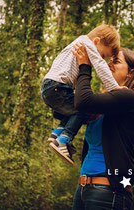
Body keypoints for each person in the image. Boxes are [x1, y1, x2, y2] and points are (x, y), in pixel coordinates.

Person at [71, 43, 134, 209]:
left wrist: (85, 66)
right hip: (84, 188)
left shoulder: (130, 98)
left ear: (131, 73)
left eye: (116, 61)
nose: (109, 64)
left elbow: (83, 101)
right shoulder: (108, 102)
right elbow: (72, 108)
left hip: (108, 192)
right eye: (110, 60)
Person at [41, 24, 120, 165]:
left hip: (49, 87)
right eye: (103, 55)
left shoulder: (78, 43)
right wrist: (114, 88)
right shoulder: (87, 44)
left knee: (73, 109)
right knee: (83, 108)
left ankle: (57, 134)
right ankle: (63, 140)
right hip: (58, 87)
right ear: (97, 41)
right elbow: (100, 66)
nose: (102, 58)